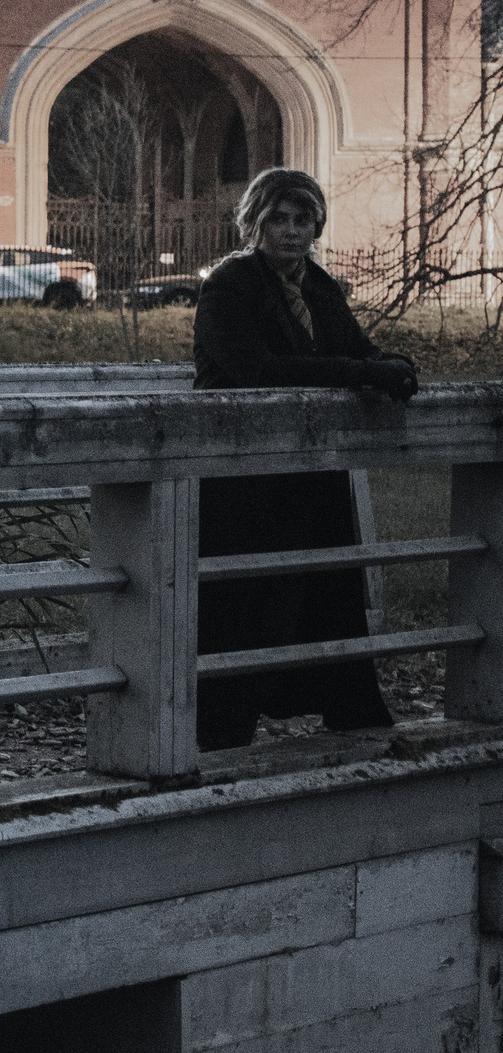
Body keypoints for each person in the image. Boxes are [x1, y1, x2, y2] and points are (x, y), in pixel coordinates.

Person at [192, 166, 417, 750]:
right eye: (279, 219)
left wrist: (389, 364)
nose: (292, 231)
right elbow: (256, 371)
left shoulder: (318, 286)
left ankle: (352, 714)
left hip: (311, 471)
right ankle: (219, 735)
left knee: (326, 592)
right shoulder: (230, 285)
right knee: (245, 604)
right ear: (256, 223)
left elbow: (354, 347)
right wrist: (358, 372)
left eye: (304, 220)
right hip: (245, 475)